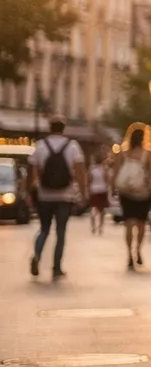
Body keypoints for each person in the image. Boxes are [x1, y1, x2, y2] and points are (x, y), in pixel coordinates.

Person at [28, 118, 87, 279]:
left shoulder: (40, 146)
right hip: (65, 195)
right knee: (61, 232)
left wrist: (31, 192)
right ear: (63, 129)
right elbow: (80, 172)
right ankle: (56, 267)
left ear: (49, 128)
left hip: (44, 195)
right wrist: (82, 193)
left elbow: (33, 172)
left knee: (44, 229)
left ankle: (37, 255)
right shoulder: (72, 147)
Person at [110, 124, 151, 270]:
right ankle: (138, 250)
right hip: (142, 193)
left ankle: (130, 254)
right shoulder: (147, 154)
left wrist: (113, 187)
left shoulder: (122, 153)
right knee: (141, 224)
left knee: (129, 224)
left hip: (126, 193)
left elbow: (116, 171)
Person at [85, 153, 110, 234]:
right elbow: (107, 180)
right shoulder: (104, 169)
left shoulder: (91, 169)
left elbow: (89, 180)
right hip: (102, 190)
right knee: (102, 210)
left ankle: (93, 227)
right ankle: (100, 227)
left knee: (93, 209)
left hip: (94, 190)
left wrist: (88, 190)